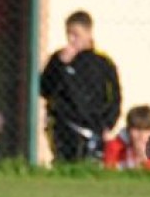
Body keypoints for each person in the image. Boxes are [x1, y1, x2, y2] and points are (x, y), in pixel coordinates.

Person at [39, 10, 122, 164]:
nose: (71, 39)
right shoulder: (58, 59)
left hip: (94, 126)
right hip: (64, 125)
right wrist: (60, 65)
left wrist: (108, 124)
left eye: (76, 34)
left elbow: (115, 97)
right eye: (68, 34)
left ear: (88, 33)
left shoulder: (103, 63)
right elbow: (45, 89)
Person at [103, 105, 150, 171]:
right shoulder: (115, 146)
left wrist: (145, 160)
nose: (141, 135)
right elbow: (108, 170)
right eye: (137, 129)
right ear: (129, 129)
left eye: (146, 130)